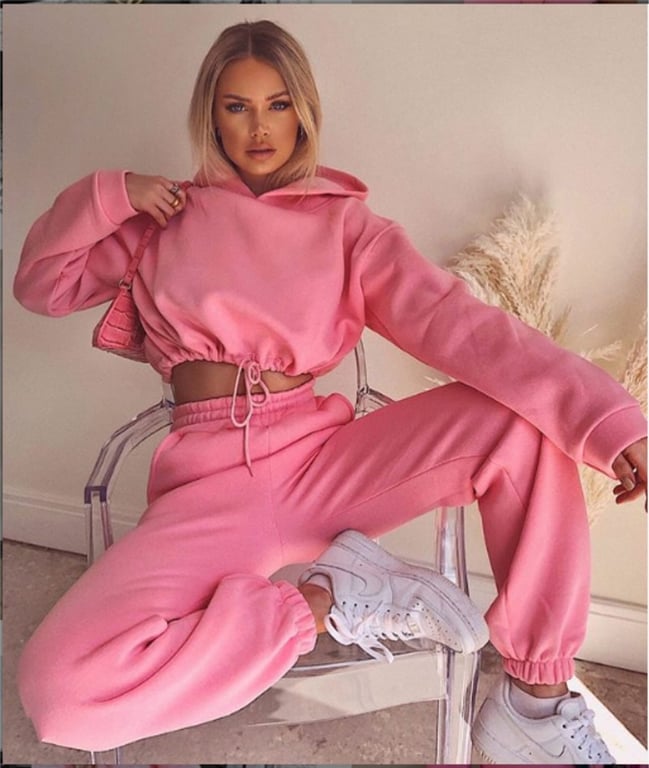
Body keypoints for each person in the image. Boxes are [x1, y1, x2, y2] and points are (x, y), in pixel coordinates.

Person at [13, 19, 646, 765]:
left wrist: (610, 421)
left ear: (304, 113)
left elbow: (467, 331)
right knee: (62, 694)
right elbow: (42, 285)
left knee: (521, 426)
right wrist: (110, 193)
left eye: (278, 105)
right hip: (208, 491)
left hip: (324, 465)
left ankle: (535, 703)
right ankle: (332, 600)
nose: (259, 128)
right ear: (210, 115)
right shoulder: (163, 220)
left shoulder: (347, 227)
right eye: (237, 106)